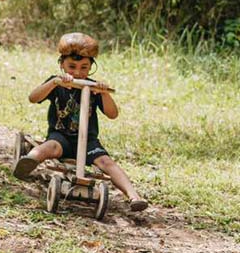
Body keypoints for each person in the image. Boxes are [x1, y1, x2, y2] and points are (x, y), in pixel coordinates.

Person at [11, 32, 148, 213]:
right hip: (61, 136)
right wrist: (53, 83)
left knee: (106, 162)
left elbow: (112, 114)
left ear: (92, 66)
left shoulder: (93, 88)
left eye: (84, 67)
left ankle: (134, 196)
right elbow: (33, 97)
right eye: (72, 66)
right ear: (62, 65)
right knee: (50, 147)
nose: (77, 72)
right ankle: (29, 160)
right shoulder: (57, 82)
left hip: (88, 141)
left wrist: (104, 92)